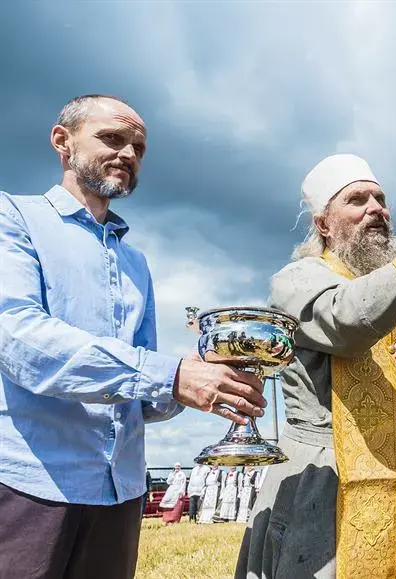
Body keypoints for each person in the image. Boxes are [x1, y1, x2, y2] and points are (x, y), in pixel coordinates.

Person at [0, 94, 268, 578]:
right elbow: (22, 342)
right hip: (30, 483)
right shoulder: (13, 217)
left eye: (138, 148)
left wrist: (201, 376)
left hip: (120, 490)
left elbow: (144, 399)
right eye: (112, 138)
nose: (128, 154)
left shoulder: (135, 263)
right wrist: (170, 374)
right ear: (62, 142)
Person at [236, 153, 396, 578]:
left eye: (380, 198)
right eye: (357, 200)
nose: (376, 208)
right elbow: (350, 322)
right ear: (323, 224)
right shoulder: (298, 279)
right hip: (329, 482)